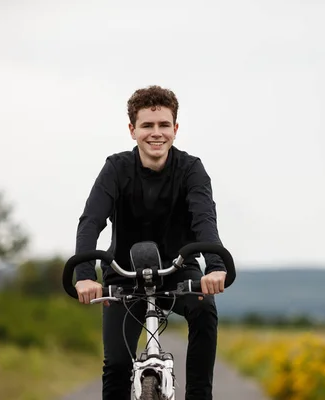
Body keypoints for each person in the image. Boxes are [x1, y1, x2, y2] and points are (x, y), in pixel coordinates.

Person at [73, 85, 228, 400]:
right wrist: (85, 275)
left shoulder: (191, 170)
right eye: (147, 125)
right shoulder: (116, 169)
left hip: (179, 270)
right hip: (124, 274)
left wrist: (215, 266)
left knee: (205, 311)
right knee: (116, 365)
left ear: (175, 128)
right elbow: (91, 221)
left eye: (163, 125)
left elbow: (204, 221)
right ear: (132, 130)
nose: (155, 133)